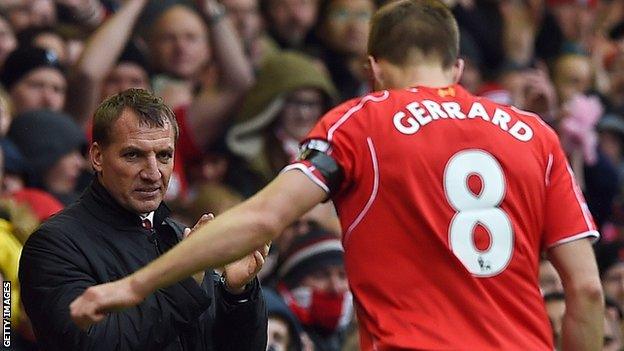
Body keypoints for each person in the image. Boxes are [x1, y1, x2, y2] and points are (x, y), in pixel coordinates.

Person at [70, 1, 605, 350]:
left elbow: (263, 217)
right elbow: (584, 290)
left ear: (373, 67)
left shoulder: (361, 121)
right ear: (457, 67)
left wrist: (133, 285)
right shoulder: (535, 135)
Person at [19, 88, 268, 350]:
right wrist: (186, 278)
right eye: (133, 155)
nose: (152, 173)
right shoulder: (54, 245)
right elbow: (94, 344)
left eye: (164, 156)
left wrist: (237, 293)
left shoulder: (179, 236)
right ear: (97, 157)